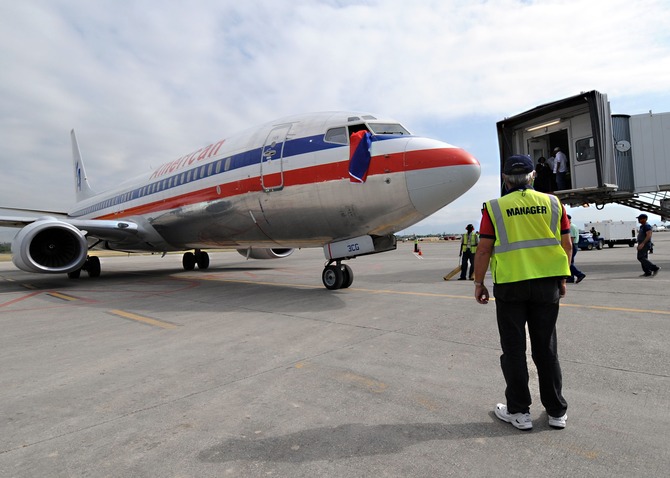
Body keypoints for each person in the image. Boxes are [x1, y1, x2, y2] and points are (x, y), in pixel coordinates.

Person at [473, 154, 571, 431]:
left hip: (511, 285)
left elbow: (483, 249)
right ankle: (556, 412)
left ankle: (519, 411)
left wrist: (479, 282)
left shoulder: (494, 208)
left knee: (514, 350)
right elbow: (566, 244)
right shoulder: (553, 203)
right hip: (546, 284)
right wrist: (562, 278)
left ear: (505, 179)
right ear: (533, 177)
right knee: (546, 349)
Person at [567, 215, 586, 283]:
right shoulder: (573, 226)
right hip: (574, 245)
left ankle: (579, 274)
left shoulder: (571, 227)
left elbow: (571, 238)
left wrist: (567, 247)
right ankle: (571, 278)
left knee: (568, 262)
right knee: (571, 262)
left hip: (572, 245)